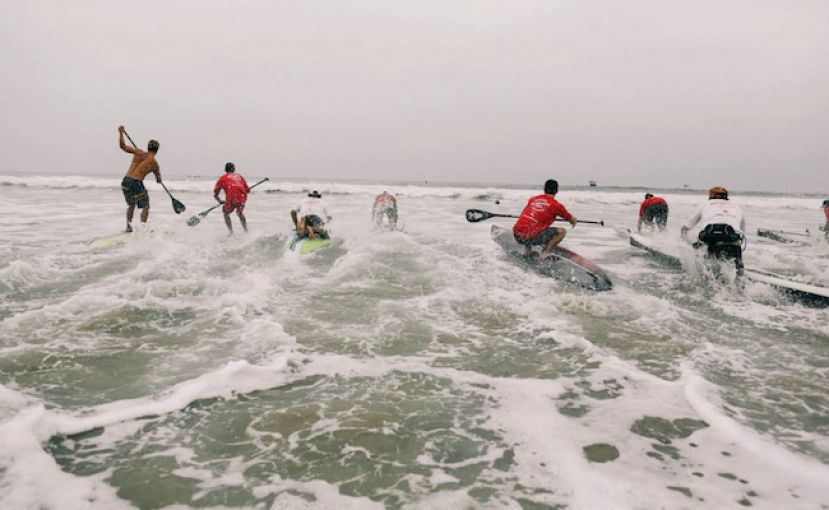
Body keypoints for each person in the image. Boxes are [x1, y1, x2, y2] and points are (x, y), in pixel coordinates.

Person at [681, 186, 746, 274]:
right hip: (731, 237)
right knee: (737, 266)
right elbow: (742, 233)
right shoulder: (737, 207)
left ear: (711, 195)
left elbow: (686, 227)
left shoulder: (705, 204)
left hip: (710, 235)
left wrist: (687, 242)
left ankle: (705, 269)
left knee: (704, 251)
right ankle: (739, 270)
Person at [513, 179, 578, 261]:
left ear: (544, 189)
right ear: (556, 191)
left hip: (517, 235)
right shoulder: (556, 205)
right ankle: (545, 253)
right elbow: (571, 219)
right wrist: (574, 221)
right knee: (562, 231)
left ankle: (527, 251)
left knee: (530, 223)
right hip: (530, 237)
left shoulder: (533, 199)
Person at [119, 125, 160, 232]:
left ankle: (128, 227)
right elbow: (158, 179)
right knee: (146, 206)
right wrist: (158, 179)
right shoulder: (155, 164)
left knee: (131, 205)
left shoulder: (138, 152)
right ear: (156, 150)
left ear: (148, 147)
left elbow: (123, 146)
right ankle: (143, 228)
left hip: (126, 181)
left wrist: (121, 133)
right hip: (136, 182)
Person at [213, 162, 250, 234]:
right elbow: (247, 190)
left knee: (225, 213)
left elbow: (215, 194)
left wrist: (220, 201)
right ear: (234, 169)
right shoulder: (239, 176)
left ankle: (231, 232)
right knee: (239, 212)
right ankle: (246, 231)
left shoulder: (222, 178)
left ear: (225, 170)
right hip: (242, 197)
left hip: (231, 198)